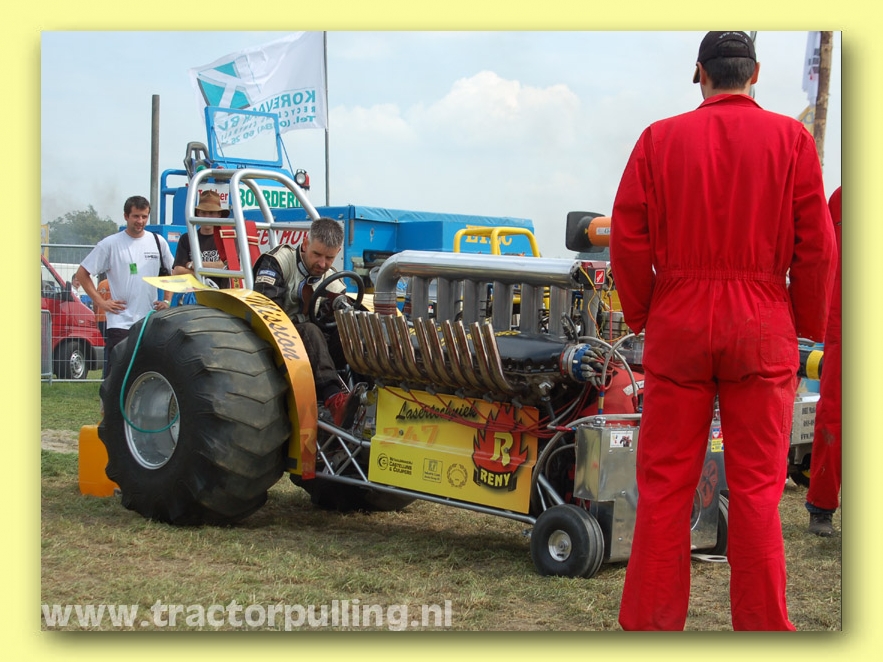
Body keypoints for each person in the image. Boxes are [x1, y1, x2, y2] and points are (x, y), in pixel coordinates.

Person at [609, 31, 836, 631]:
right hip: (761, 322)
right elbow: (816, 247)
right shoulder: (791, 140)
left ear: (700, 74)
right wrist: (804, 326)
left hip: (679, 320)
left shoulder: (658, 139)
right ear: (755, 74)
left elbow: (628, 238)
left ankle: (650, 628)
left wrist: (646, 315)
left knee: (665, 486)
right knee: (758, 490)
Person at [251, 217, 359, 427]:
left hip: (314, 347)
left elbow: (333, 321)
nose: (322, 264)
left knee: (351, 328)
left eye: (329, 258)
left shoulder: (333, 281)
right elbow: (266, 312)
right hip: (273, 340)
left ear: (338, 252)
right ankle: (334, 399)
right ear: (305, 243)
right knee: (310, 330)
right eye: (317, 254)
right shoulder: (277, 262)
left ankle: (367, 393)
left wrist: (338, 314)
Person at [76, 195, 174, 377]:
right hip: (120, 322)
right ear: (126, 216)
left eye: (144, 216)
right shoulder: (110, 244)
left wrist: (167, 301)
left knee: (145, 373)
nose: (140, 221)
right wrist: (101, 302)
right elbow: (82, 273)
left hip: (148, 321)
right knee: (117, 374)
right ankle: (111, 397)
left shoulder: (158, 242)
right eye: (136, 216)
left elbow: (171, 273)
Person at [805, 186, 842, 536]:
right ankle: (821, 506)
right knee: (834, 415)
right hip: (843, 325)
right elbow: (820, 256)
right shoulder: (840, 202)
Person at [172, 189, 230, 290]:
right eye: (203, 212)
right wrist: (211, 271)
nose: (207, 217)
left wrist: (193, 265)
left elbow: (223, 266)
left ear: (219, 214)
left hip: (221, 295)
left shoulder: (227, 238)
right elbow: (177, 271)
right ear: (198, 213)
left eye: (211, 213)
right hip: (193, 295)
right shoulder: (186, 238)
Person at [95, 275, 111, 339]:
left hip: (101, 318)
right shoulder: (115, 284)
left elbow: (95, 303)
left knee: (105, 339)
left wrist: (96, 316)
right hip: (112, 318)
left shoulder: (101, 284)